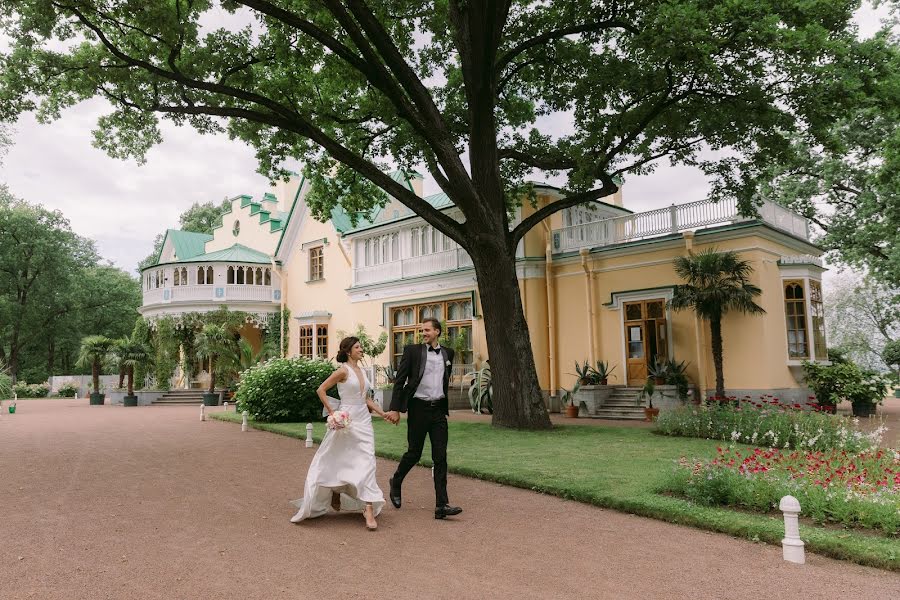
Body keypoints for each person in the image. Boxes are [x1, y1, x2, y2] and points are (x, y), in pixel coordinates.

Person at [290, 336, 391, 530]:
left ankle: (368, 507)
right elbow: (321, 390)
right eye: (358, 347)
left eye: (361, 347)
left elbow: (366, 399)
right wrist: (332, 412)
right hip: (346, 421)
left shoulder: (362, 371)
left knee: (367, 461)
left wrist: (382, 413)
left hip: (364, 422)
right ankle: (335, 488)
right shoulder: (342, 371)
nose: (361, 350)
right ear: (348, 351)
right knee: (337, 458)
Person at [384, 318, 463, 520]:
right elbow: (400, 380)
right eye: (422, 330)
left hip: (438, 411)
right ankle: (396, 481)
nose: (424, 333)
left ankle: (441, 506)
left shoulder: (448, 353)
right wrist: (395, 408)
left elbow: (443, 380)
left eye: (427, 330)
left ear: (437, 331)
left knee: (441, 457)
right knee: (414, 453)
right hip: (418, 408)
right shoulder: (412, 351)